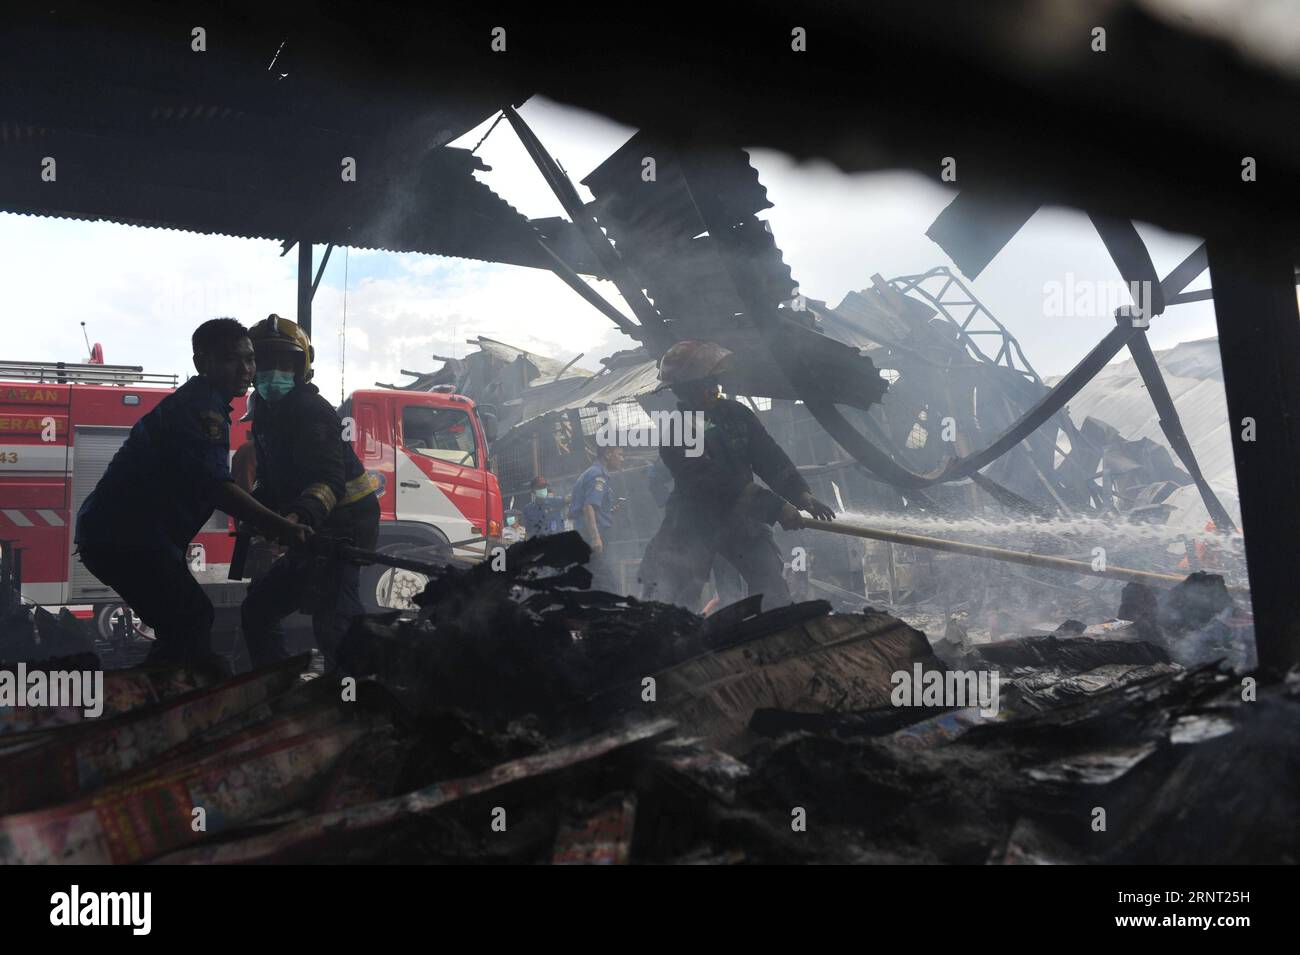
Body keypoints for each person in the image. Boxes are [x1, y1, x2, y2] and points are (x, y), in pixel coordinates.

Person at [75, 318, 311, 668]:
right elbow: (217, 488)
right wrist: (282, 526)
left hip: (125, 537)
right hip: (126, 538)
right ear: (203, 363)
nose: (246, 370)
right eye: (232, 360)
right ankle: (164, 702)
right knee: (191, 619)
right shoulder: (202, 412)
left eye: (250, 359)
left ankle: (159, 695)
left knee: (185, 622)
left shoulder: (205, 404)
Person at [639, 340, 835, 610]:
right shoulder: (676, 431)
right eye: (703, 384)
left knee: (773, 592)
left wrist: (801, 495)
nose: (713, 389)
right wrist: (775, 507)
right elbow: (713, 483)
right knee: (670, 603)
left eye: (714, 381)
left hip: (742, 520)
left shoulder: (737, 415)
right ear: (683, 391)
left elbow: (769, 456)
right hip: (693, 526)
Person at [239, 315, 380, 670]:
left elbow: (328, 481)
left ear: (301, 367)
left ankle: (354, 698)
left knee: (333, 622)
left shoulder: (311, 412)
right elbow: (272, 478)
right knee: (257, 608)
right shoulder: (265, 414)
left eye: (284, 364)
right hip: (310, 527)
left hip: (345, 527)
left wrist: (297, 517)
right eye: (266, 363)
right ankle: (276, 683)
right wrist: (258, 511)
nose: (274, 373)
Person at [569, 445, 625, 592]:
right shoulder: (597, 475)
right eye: (619, 454)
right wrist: (595, 537)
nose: (622, 459)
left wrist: (610, 510)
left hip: (586, 533)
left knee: (593, 579)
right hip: (592, 534)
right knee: (608, 584)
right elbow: (588, 507)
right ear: (607, 453)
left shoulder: (592, 473)